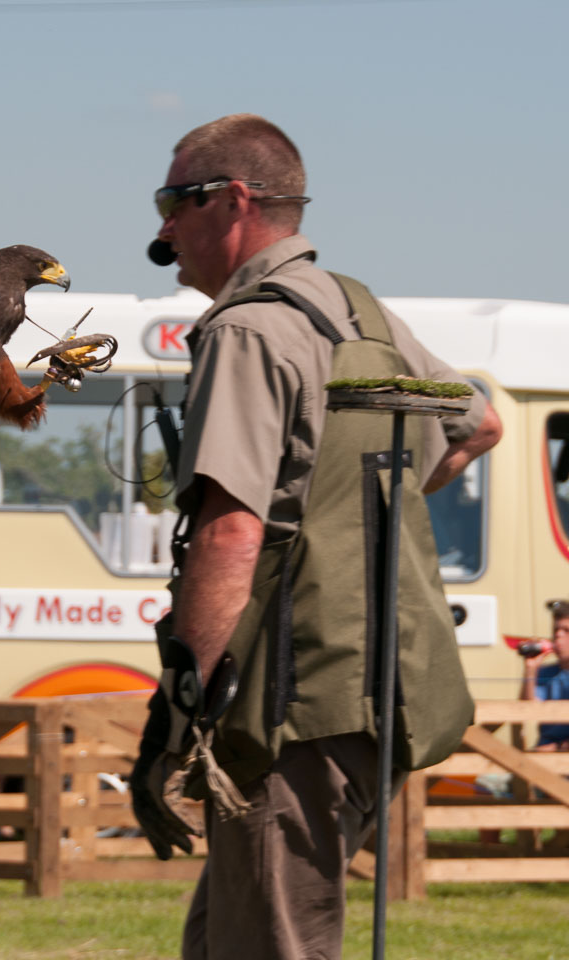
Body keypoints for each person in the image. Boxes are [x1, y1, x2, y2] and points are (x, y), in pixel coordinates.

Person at [130, 114, 503, 960]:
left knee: (269, 947)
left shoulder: (249, 329)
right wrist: (365, 512)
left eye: (172, 200)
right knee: (228, 940)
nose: (160, 227)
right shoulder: (355, 310)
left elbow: (231, 532)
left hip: (292, 701)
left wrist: (179, 708)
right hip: (389, 688)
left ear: (233, 201)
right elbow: (479, 425)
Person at [521, 600, 569, 750]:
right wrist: (531, 669)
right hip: (544, 756)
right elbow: (528, 709)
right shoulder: (546, 672)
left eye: (566, 630)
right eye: (555, 630)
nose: (558, 636)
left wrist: (557, 747)